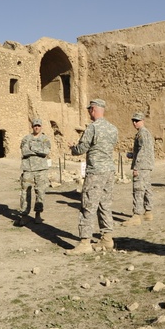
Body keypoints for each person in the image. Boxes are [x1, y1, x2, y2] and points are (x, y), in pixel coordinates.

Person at [67, 99, 119, 254]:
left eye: (90, 109)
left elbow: (82, 148)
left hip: (95, 171)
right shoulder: (113, 129)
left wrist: (73, 148)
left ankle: (84, 243)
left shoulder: (92, 128)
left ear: (94, 110)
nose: (89, 112)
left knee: (88, 205)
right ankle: (107, 239)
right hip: (109, 171)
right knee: (105, 205)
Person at [16, 118, 51, 226]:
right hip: (28, 169)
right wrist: (37, 150)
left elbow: (45, 151)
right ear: (32, 126)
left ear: (41, 127)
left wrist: (32, 147)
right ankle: (24, 215)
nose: (37, 127)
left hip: (41, 170)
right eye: (35, 125)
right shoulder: (26, 138)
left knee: (40, 192)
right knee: (25, 193)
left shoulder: (45, 139)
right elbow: (25, 151)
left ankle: (38, 214)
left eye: (38, 126)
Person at [122, 112, 154, 226]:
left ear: (142, 121)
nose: (134, 123)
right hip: (147, 165)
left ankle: (136, 215)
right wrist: (132, 155)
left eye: (137, 120)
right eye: (133, 121)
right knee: (146, 188)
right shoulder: (146, 133)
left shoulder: (142, 133)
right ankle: (148, 211)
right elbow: (144, 151)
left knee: (138, 189)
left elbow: (143, 151)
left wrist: (136, 166)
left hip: (141, 166)